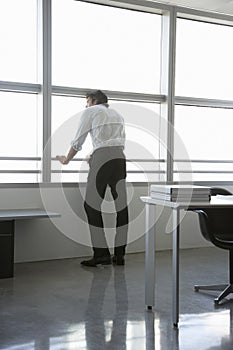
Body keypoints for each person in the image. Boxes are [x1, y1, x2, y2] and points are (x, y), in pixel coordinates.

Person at [57, 90, 128, 267]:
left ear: (94, 101)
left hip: (103, 159)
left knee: (91, 205)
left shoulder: (91, 111)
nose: (86, 105)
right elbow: (112, 142)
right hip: (119, 158)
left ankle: (101, 254)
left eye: (87, 101)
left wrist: (66, 159)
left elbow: (78, 140)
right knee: (121, 207)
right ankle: (119, 256)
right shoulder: (117, 114)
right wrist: (92, 154)